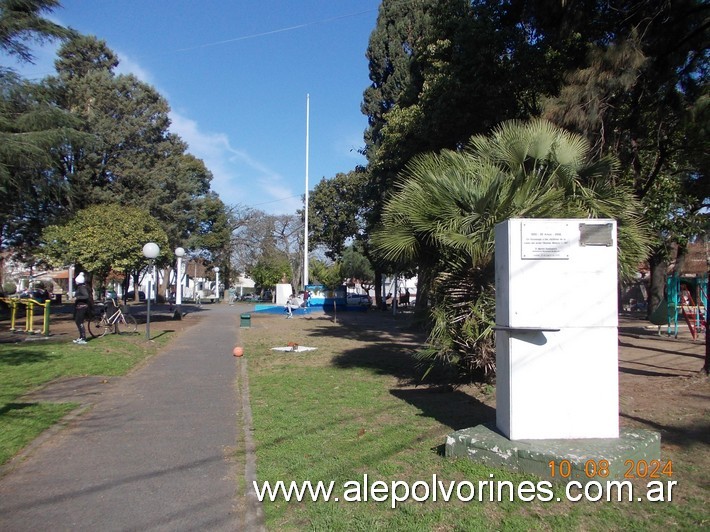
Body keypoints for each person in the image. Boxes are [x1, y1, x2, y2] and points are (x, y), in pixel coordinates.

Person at [73, 272, 93, 345]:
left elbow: (86, 296)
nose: (75, 282)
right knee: (77, 321)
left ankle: (83, 338)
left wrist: (77, 297)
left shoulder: (82, 288)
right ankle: (81, 337)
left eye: (76, 281)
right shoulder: (80, 287)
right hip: (79, 307)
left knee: (80, 321)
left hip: (82, 307)